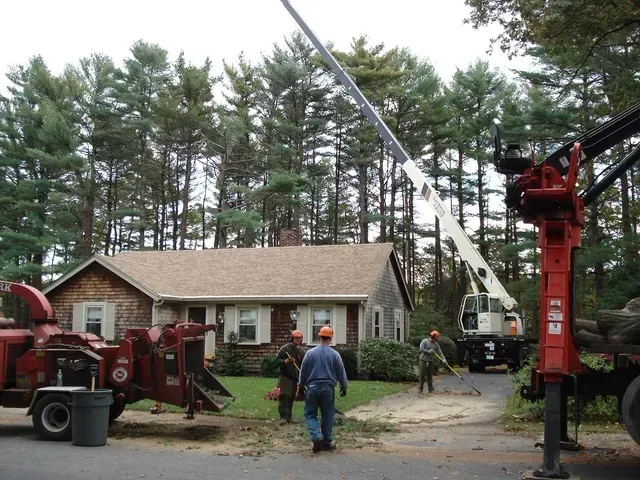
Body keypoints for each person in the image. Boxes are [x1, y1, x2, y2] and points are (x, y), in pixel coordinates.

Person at [297, 326, 348, 453]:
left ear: (319, 337)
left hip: (312, 387)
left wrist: (301, 385)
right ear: (330, 339)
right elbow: (341, 372)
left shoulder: (310, 353)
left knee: (310, 414)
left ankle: (316, 436)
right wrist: (344, 386)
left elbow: (303, 371)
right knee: (328, 414)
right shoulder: (335, 355)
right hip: (328, 388)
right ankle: (327, 441)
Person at [276, 329, 306, 425]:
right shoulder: (285, 349)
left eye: (299, 339)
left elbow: (304, 365)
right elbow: (276, 362)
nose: (297, 340)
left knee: (292, 397)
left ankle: (289, 417)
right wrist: (286, 361)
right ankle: (283, 417)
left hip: (296, 377)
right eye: (296, 338)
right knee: (284, 395)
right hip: (285, 376)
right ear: (292, 338)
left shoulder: (301, 351)